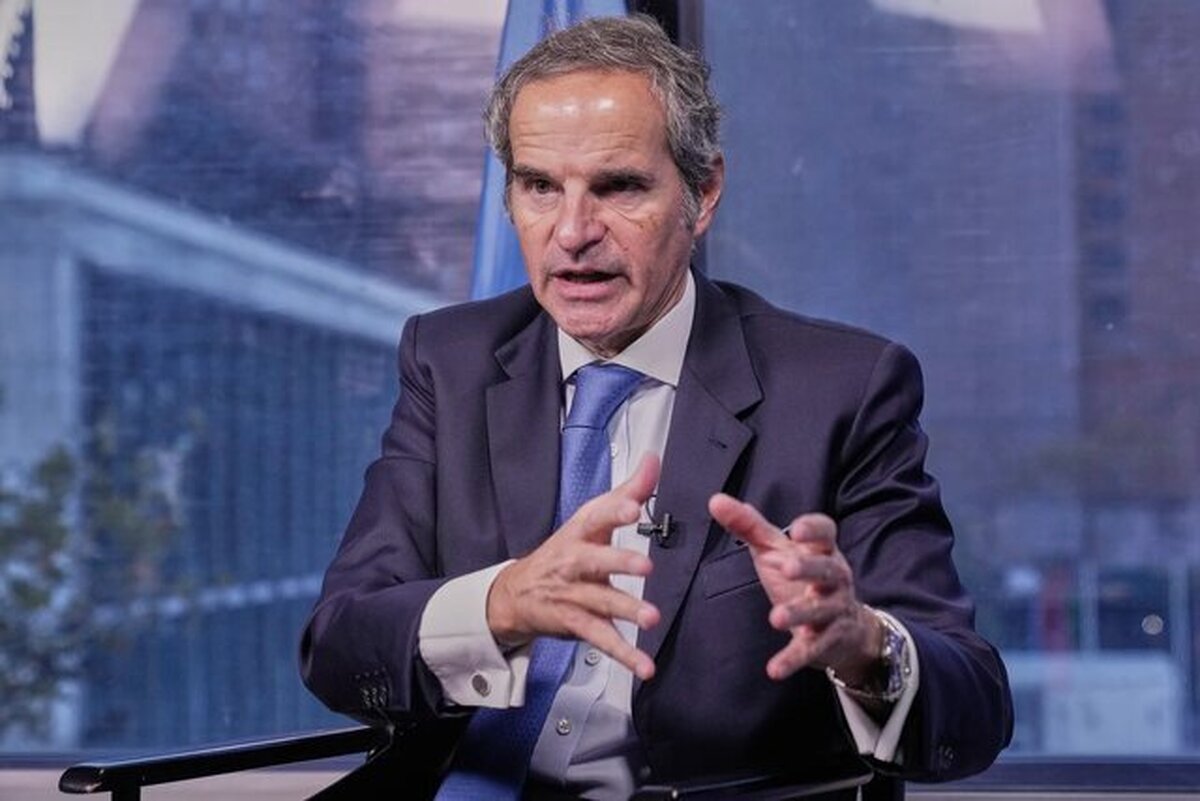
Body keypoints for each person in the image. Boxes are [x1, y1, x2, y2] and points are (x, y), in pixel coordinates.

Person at [300, 14, 1012, 800]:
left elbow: (975, 703)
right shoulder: (449, 359)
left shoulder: (844, 389)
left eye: (619, 187)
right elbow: (339, 646)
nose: (573, 231)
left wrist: (866, 646)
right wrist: (504, 602)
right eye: (540, 186)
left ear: (702, 194)